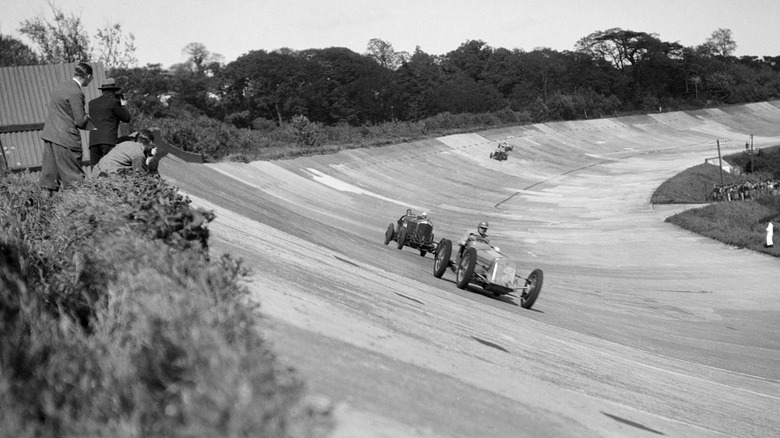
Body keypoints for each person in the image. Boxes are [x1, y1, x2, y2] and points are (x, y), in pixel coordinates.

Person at [38, 62, 93, 197]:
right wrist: (89, 117)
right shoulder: (76, 92)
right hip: (66, 139)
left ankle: (44, 211)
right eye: (91, 78)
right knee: (74, 179)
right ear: (88, 76)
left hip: (50, 136)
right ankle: (79, 211)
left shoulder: (60, 87)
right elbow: (80, 121)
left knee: (49, 181)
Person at [88, 78, 132, 169]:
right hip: (108, 141)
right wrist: (123, 105)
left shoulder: (91, 103)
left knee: (95, 169)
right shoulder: (114, 102)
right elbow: (126, 118)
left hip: (93, 141)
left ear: (102, 90)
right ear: (113, 91)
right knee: (108, 168)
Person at [92, 129, 159, 176]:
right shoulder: (139, 154)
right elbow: (141, 176)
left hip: (96, 171)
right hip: (107, 176)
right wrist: (152, 158)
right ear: (150, 143)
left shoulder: (125, 143)